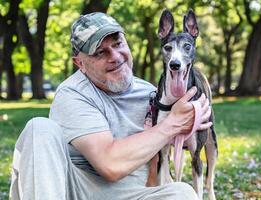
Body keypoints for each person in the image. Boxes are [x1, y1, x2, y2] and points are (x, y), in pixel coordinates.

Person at [9, 12, 212, 200]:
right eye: (100, 53)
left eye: (118, 44)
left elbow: (166, 157)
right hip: (76, 191)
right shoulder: (73, 94)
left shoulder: (153, 94)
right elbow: (110, 165)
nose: (115, 56)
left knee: (182, 193)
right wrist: (173, 124)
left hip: (132, 194)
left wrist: (192, 123)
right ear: (80, 63)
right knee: (40, 128)